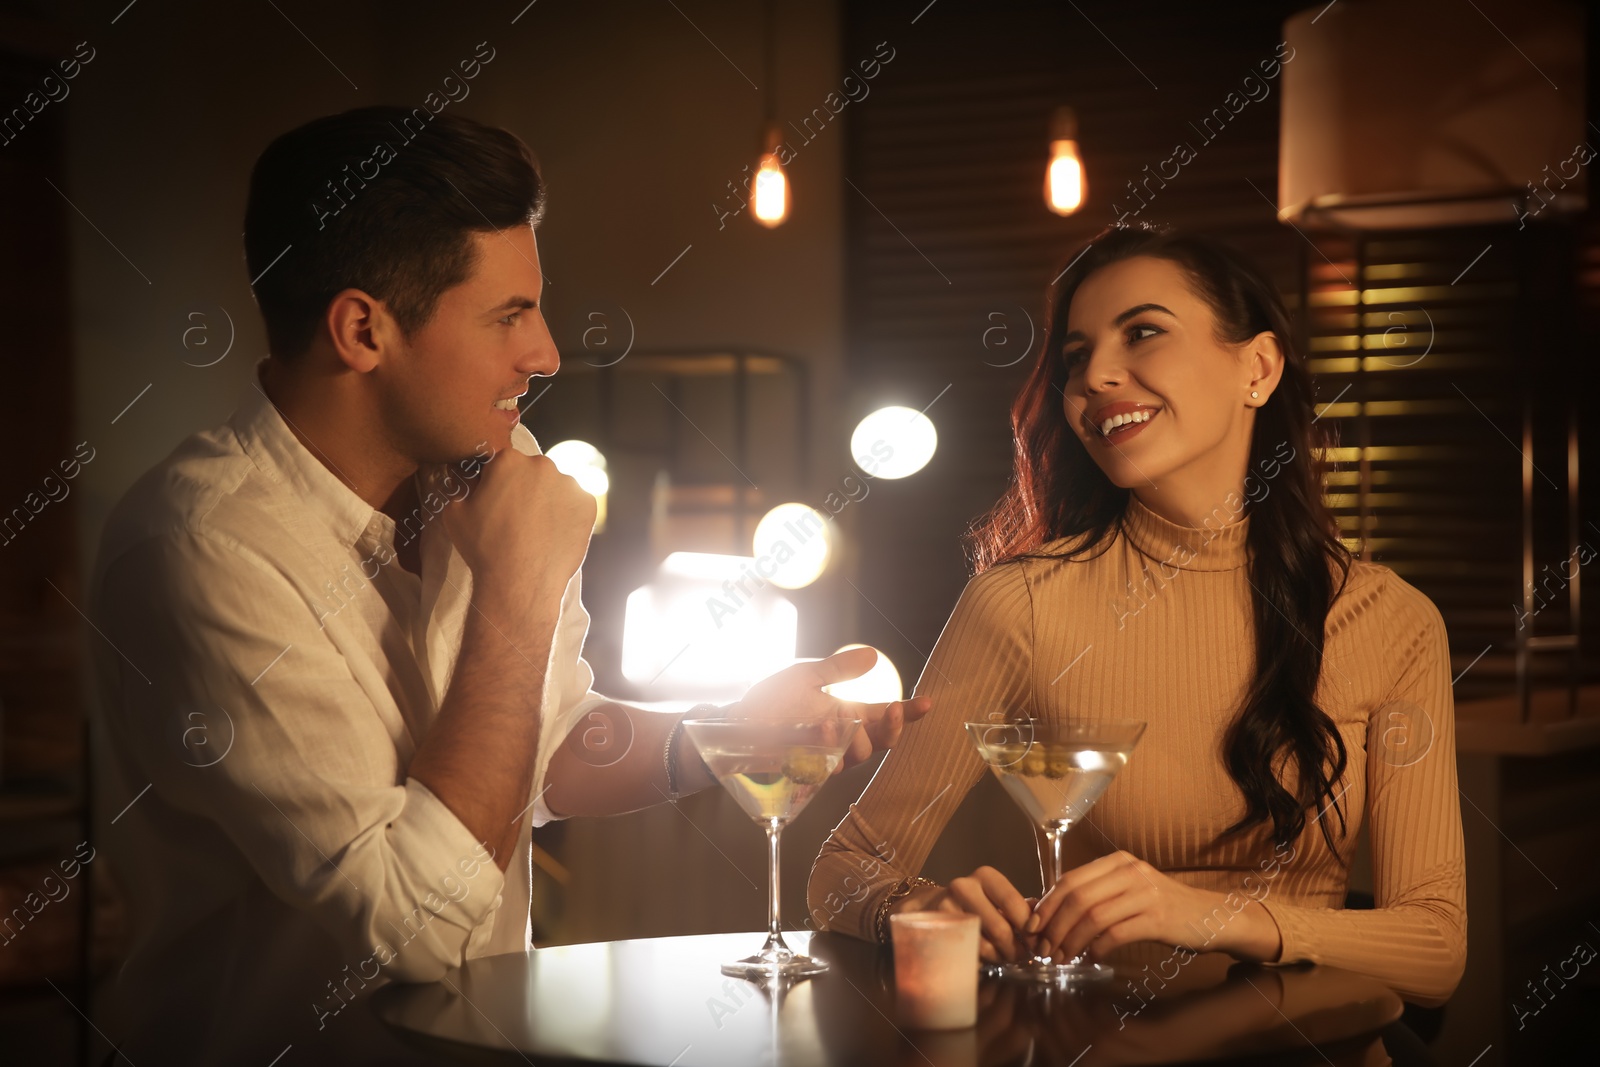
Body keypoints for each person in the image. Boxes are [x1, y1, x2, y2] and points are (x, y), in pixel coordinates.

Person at [88, 106, 928, 1066]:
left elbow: (548, 744)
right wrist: (517, 594)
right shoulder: (201, 550)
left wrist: (724, 732)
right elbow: (414, 928)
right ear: (362, 329)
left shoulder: (492, 464)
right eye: (508, 316)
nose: (547, 354)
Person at [807, 225, 1467, 1009]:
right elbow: (843, 869)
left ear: (1256, 368)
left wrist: (1213, 915)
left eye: (1144, 332)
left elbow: (1435, 947)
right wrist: (911, 907)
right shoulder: (1019, 604)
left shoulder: (1389, 618)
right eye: (1076, 356)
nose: (1097, 377)